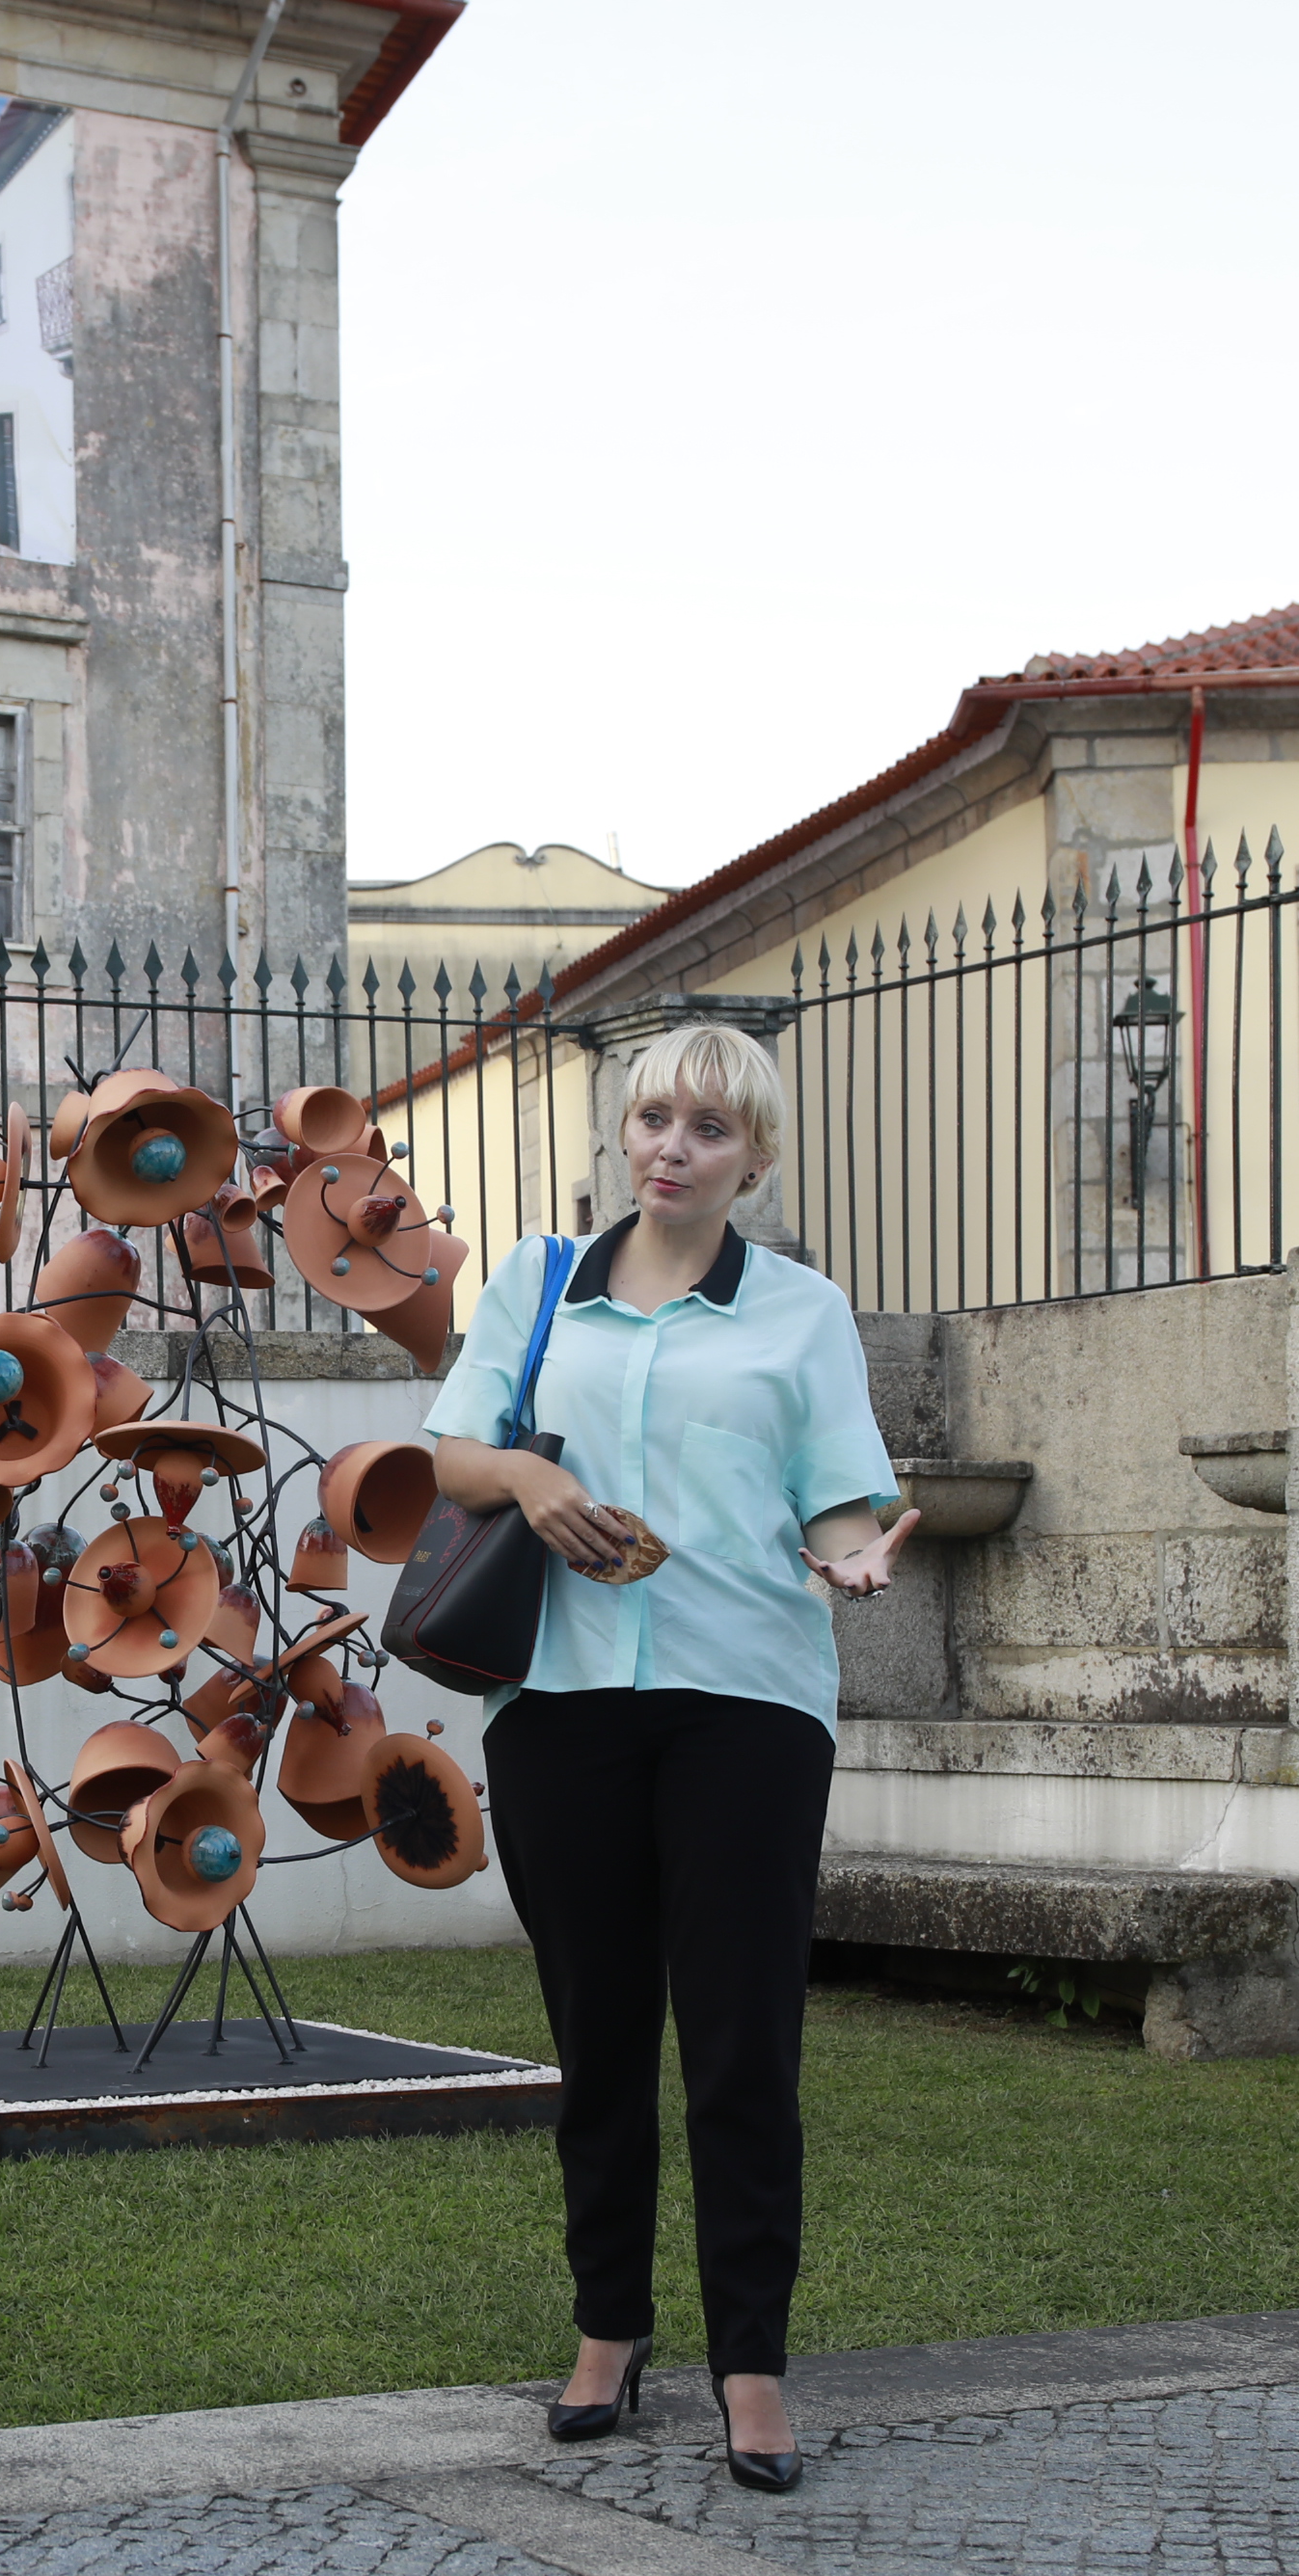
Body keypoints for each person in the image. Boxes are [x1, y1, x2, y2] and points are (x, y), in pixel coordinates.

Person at [423, 1023, 917, 2492]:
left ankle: (751, 2367)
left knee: (743, 2040)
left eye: (708, 1128)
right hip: (561, 1699)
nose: (672, 1147)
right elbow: (452, 1455)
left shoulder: (803, 1312)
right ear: (621, 1137)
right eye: (653, 1119)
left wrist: (855, 1561)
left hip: (748, 1702)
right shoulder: (537, 1284)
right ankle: (607, 2333)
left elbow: (837, 1497)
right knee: (598, 2038)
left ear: (752, 1159)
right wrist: (529, 1473)